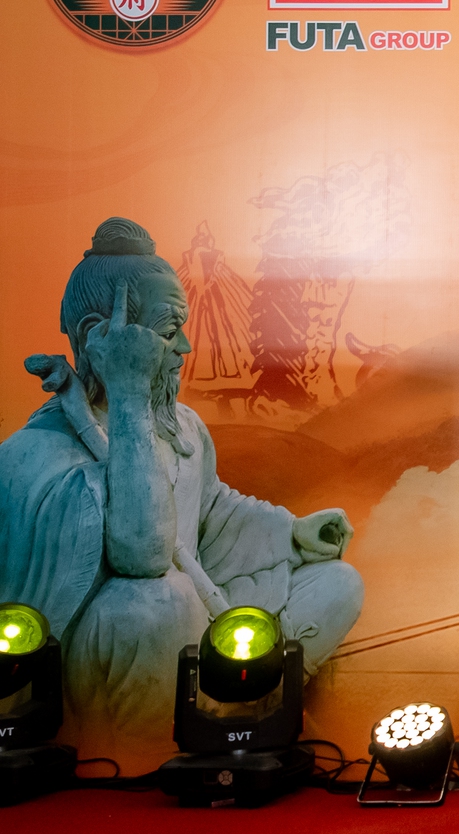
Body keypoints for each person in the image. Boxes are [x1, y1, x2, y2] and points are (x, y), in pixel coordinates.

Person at [0, 219, 361, 746]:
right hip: (100, 650)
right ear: (100, 335)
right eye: (169, 331)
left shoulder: (182, 426)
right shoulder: (34, 453)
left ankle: (247, 697)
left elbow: (212, 512)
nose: (186, 347)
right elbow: (143, 554)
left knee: (336, 583)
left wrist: (291, 532)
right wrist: (127, 389)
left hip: (196, 611)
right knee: (156, 601)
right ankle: (145, 753)